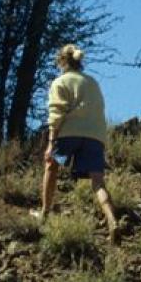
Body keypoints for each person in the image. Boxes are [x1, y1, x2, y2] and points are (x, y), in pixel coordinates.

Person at [34, 44, 118, 241]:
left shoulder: (60, 82)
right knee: (98, 182)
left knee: (51, 166)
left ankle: (45, 213)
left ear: (62, 61)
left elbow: (56, 113)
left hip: (68, 133)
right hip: (95, 136)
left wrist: (51, 142)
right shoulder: (93, 83)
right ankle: (112, 219)